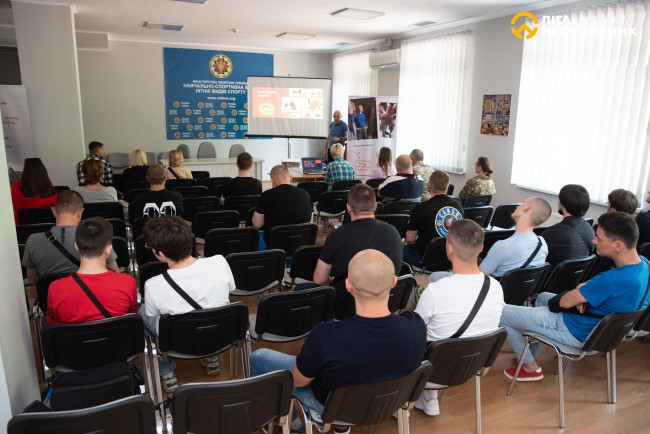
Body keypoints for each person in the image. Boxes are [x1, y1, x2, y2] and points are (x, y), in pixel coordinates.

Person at [250, 249, 426, 434]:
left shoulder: (326, 336)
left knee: (258, 357)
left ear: (349, 285)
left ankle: (292, 423)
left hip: (330, 407)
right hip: (389, 402)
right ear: (394, 281)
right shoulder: (416, 325)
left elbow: (298, 381)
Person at [500, 211, 650, 382]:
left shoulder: (611, 280)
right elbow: (591, 288)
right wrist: (582, 295)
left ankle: (530, 368)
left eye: (599, 238)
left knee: (502, 312)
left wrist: (579, 296)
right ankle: (529, 354)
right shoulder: (644, 265)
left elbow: (565, 302)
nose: (594, 241)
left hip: (576, 331)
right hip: (601, 332)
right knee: (543, 297)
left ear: (618, 246)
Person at [413, 219, 505, 416]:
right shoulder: (496, 287)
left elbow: (414, 332)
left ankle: (412, 400)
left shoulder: (435, 291)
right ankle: (429, 399)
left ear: (449, 249)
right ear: (481, 248)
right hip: (472, 366)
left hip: (432, 371)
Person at [139, 216, 235, 391]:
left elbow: (153, 316)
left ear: (160, 254)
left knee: (142, 311)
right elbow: (230, 290)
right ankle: (211, 356)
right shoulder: (220, 261)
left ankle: (167, 373)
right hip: (219, 333)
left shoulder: (153, 285)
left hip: (178, 342)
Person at [313, 184, 403, 319]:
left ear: (348, 208)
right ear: (375, 207)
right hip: (385, 304)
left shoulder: (336, 236)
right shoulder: (393, 232)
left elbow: (319, 280)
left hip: (345, 309)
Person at [46, 217, 137, 324]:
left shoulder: (56, 289)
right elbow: (132, 321)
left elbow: (54, 328)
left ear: (76, 245)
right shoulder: (127, 283)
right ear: (109, 249)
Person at [22, 191, 119, 284]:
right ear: (81, 212)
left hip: (51, 295)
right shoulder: (96, 235)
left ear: (54, 211)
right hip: (89, 294)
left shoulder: (32, 241)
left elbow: (32, 280)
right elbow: (115, 272)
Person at [403, 171, 464, 266]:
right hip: (451, 258)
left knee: (397, 249)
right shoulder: (458, 206)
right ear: (447, 186)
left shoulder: (420, 208)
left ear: (430, 185)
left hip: (425, 258)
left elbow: (410, 239)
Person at [480, 197, 552, 278]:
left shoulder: (503, 246)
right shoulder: (542, 244)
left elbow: (478, 276)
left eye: (523, 202)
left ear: (527, 207)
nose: (518, 206)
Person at [252, 165, 312, 246]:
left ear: (272, 180)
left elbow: (257, 224)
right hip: (301, 242)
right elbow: (309, 219)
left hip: (275, 243)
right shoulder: (305, 194)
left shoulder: (266, 195)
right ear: (290, 177)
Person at [541, 184, 595, 270]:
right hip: (575, 277)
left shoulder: (553, 233)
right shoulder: (589, 228)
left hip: (550, 277)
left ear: (562, 202)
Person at [11, 157, 58, 224]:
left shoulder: (15, 189)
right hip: (48, 229)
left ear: (25, 173)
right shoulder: (51, 195)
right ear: (43, 173)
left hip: (21, 229)